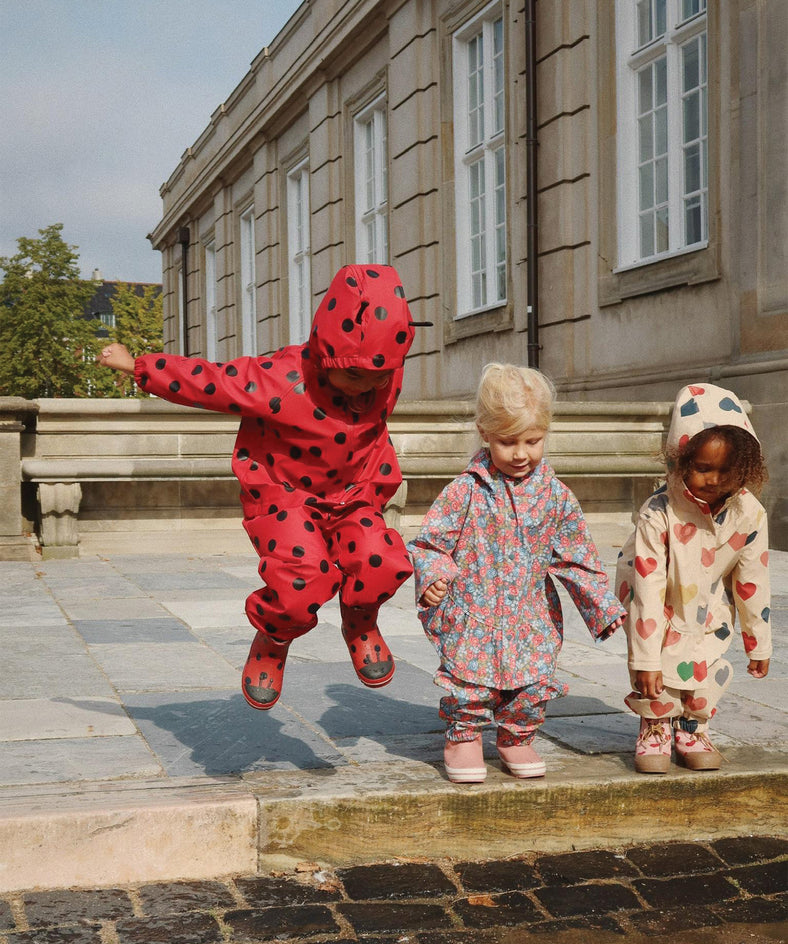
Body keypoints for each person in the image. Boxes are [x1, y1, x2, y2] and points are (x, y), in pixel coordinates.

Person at [99, 264, 425, 711]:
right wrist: (138, 366)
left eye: (379, 378)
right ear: (327, 353)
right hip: (285, 497)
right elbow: (208, 382)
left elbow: (372, 383)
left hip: (353, 496)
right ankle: (272, 639)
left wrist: (374, 380)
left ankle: (360, 620)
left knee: (383, 563)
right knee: (300, 583)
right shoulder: (280, 378)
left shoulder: (382, 372)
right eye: (353, 378)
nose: (365, 390)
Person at [408, 363, 626, 784]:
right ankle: (464, 736)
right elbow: (430, 542)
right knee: (469, 681)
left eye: (533, 440)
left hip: (530, 613)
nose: (521, 453)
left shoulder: (556, 497)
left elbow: (577, 556)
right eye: (508, 442)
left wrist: (602, 606)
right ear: (484, 434)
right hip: (474, 607)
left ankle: (516, 735)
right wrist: (434, 576)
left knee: (531, 682)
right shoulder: (465, 490)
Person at [615, 382, 771, 773]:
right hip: (656, 597)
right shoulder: (660, 512)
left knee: (707, 661)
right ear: (681, 461)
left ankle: (692, 726)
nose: (715, 480)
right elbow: (648, 586)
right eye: (703, 468)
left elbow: (752, 579)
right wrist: (646, 658)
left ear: (746, 466)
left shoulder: (749, 514)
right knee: (658, 669)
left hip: (708, 600)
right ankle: (654, 724)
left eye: (727, 470)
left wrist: (759, 642)